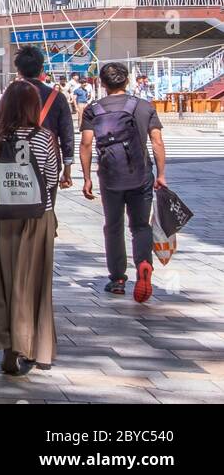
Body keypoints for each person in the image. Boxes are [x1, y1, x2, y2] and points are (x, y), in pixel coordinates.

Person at [0, 80, 61, 375]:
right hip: (38, 218)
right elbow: (50, 179)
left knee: (1, 281)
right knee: (35, 283)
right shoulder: (44, 137)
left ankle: (6, 346)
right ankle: (34, 345)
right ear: (33, 108)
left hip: (1, 217)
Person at [81, 62, 167, 303]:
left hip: (110, 177)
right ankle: (143, 264)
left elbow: (86, 143)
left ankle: (118, 278)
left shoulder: (93, 109)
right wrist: (161, 174)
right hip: (140, 175)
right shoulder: (143, 106)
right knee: (140, 226)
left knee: (113, 226)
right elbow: (157, 141)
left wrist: (87, 177)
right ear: (127, 81)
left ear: (102, 82)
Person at [15, 45, 74, 195]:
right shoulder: (57, 97)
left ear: (19, 70)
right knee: (45, 207)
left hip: (14, 158)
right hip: (48, 160)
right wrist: (67, 167)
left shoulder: (10, 96)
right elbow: (67, 134)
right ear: (42, 69)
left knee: (15, 207)